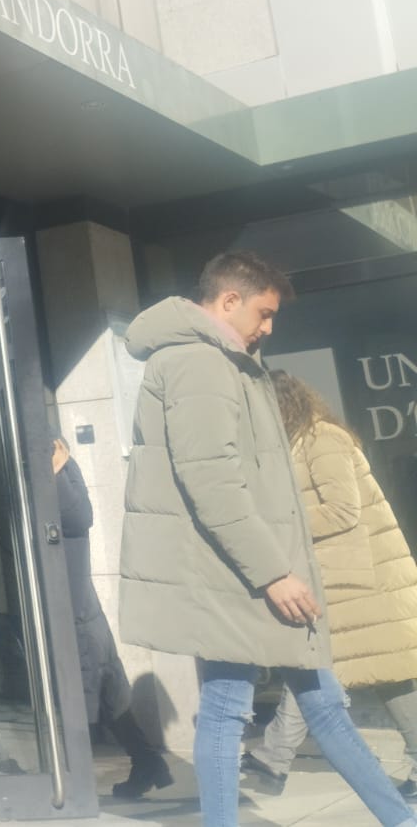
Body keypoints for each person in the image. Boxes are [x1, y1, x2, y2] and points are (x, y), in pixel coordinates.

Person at [119, 250, 417, 827]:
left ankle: (400, 819)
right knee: (229, 707)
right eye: (264, 312)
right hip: (238, 577)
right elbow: (212, 480)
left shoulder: (222, 360)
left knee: (322, 703)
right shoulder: (199, 362)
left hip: (254, 570)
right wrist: (273, 572)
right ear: (229, 300)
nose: (269, 327)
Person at [243, 372, 417, 801]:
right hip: (348, 580)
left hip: (363, 582)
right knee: (374, 673)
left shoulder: (322, 439)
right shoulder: (297, 443)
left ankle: (273, 757)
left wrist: (279, 524)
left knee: (343, 669)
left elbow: (342, 510)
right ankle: (273, 757)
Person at [49, 438, 170, 799]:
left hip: (72, 605)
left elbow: (78, 516)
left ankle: (76, 783)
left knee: (88, 691)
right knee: (105, 687)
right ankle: (147, 762)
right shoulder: (47, 460)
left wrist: (54, 471)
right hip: (71, 601)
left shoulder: (55, 459)